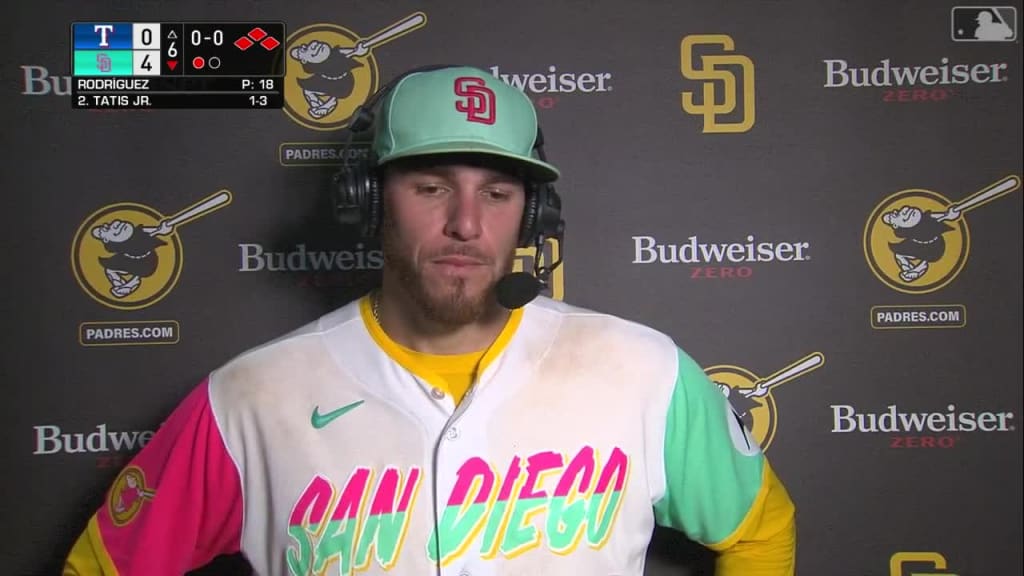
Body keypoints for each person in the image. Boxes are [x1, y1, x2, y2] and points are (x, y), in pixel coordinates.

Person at [63, 65, 796, 575]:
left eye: (499, 193)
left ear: (532, 216)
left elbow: (760, 529)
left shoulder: (642, 371)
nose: (467, 224)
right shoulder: (249, 400)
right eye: (431, 186)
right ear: (371, 201)